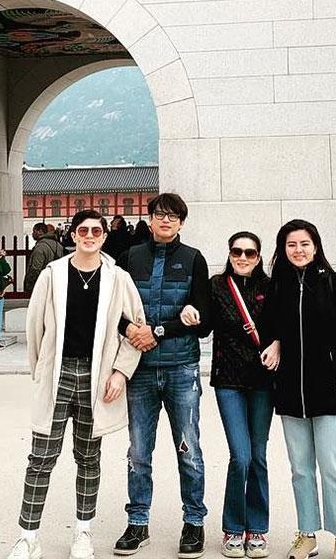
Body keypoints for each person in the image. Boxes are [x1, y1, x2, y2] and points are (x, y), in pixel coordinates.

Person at [6, 210, 146, 559]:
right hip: (59, 372)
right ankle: (28, 535)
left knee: (88, 458)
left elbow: (136, 328)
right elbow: (34, 326)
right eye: (82, 229)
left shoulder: (118, 278)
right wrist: (41, 369)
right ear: (73, 234)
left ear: (104, 236)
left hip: (97, 377)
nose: (89, 235)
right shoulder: (54, 275)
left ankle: (83, 532)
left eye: (96, 230)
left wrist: (120, 372)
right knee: (41, 456)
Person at [113, 193, 211, 559]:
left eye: (173, 216)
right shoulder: (130, 258)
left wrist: (158, 331)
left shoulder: (193, 259)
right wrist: (129, 330)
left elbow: (202, 318)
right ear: (150, 220)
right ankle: (137, 522)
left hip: (181, 368)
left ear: (182, 223)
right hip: (139, 369)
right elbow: (114, 307)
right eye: (159, 215)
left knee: (189, 449)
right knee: (139, 451)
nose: (165, 221)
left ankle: (194, 522)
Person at [262, 220, 336, 559]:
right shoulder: (278, 286)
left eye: (304, 243)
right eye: (291, 245)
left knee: (332, 467)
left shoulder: (333, 283)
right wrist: (274, 343)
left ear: (315, 246)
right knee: (300, 468)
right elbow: (270, 327)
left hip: (329, 391)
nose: (298, 250)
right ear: (283, 249)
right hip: (290, 391)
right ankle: (307, 533)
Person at [208, 232, 276, 559]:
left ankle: (257, 527)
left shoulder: (271, 287)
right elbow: (204, 323)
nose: (243, 257)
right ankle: (233, 527)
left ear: (259, 256)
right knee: (241, 455)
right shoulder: (217, 285)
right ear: (230, 253)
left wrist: (277, 346)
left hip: (263, 380)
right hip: (229, 379)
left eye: (250, 252)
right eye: (237, 251)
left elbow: (282, 328)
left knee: (259, 455)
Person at [24, 223, 65, 294]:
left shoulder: (40, 247)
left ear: (40, 231)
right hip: (56, 282)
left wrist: (29, 283)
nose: (32, 234)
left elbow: (35, 268)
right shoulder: (58, 245)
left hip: (42, 284)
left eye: (34, 231)